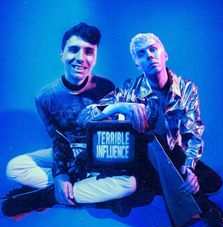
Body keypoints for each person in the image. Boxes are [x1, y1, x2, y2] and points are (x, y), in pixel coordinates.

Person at [93, 33, 223, 227]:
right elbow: (87, 115)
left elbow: (193, 132)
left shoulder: (188, 88)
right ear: (137, 63)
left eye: (153, 49)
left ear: (164, 54)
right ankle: (217, 220)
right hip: (139, 158)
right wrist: (121, 106)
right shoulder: (129, 89)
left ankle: (164, 186)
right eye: (141, 53)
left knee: (211, 181)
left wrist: (189, 167)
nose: (149, 55)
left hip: (172, 152)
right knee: (162, 162)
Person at [2, 22, 137, 216]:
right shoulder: (45, 96)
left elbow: (110, 138)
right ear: (62, 55)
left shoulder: (106, 86)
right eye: (73, 50)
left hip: (96, 156)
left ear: (95, 57)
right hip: (67, 152)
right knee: (14, 167)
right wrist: (60, 173)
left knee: (129, 184)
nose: (81, 58)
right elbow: (58, 140)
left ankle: (48, 195)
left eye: (89, 51)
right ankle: (85, 192)